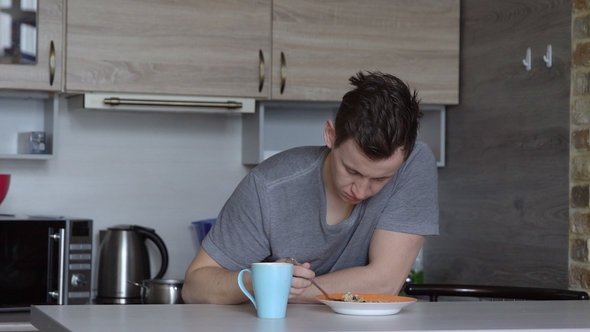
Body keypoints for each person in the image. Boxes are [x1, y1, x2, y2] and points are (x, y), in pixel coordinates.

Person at [182, 71, 439, 304]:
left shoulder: (413, 163)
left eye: (381, 179)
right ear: (331, 135)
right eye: (351, 170)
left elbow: (384, 283)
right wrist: (256, 281)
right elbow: (194, 287)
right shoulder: (269, 187)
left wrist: (278, 291)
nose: (360, 192)